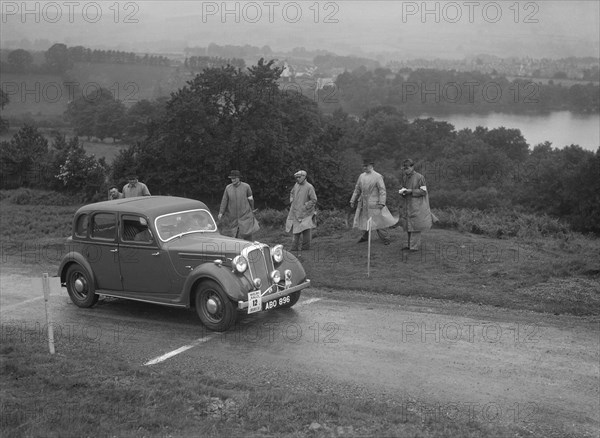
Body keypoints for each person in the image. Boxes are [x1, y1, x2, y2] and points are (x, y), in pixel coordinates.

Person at [350, 160, 397, 245]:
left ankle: (385, 238)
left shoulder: (377, 176)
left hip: (374, 203)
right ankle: (365, 237)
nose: (364, 167)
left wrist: (382, 202)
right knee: (364, 220)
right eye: (363, 166)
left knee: (379, 221)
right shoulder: (361, 176)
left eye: (366, 166)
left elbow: (382, 190)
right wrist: (352, 200)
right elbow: (357, 189)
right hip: (363, 202)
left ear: (371, 166)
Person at [399, 159, 433, 251]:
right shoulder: (405, 177)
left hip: (417, 205)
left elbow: (423, 191)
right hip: (407, 204)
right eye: (404, 169)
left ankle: (414, 247)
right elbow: (404, 188)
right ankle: (408, 245)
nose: (405, 170)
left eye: (407, 168)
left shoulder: (420, 177)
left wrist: (411, 191)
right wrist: (403, 192)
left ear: (412, 167)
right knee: (407, 224)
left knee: (415, 225)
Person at [218, 170, 259, 241]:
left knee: (247, 234)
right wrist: (221, 212)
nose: (232, 180)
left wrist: (252, 209)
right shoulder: (228, 188)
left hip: (245, 215)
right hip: (233, 216)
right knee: (234, 235)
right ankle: (236, 250)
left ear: (239, 178)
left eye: (234, 178)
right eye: (231, 178)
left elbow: (251, 199)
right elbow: (224, 201)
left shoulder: (246, 187)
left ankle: (249, 247)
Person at [286, 170, 317, 251]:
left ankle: (306, 248)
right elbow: (292, 193)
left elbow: (314, 200)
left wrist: (305, 207)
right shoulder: (296, 185)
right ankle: (294, 248)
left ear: (304, 177)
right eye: (296, 177)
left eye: (299, 177)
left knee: (306, 230)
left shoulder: (309, 187)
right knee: (296, 231)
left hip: (306, 213)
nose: (297, 179)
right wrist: (292, 200)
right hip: (296, 212)